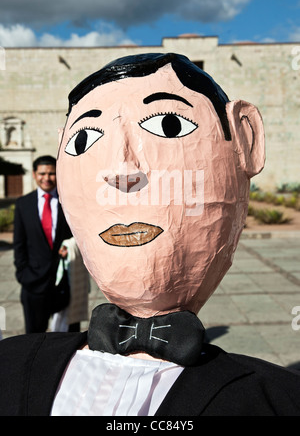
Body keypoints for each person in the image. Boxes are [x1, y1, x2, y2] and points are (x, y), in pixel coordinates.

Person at [0, 53, 300, 416]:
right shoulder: (11, 366)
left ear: (245, 141)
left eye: (170, 125)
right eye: (82, 141)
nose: (122, 171)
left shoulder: (275, 401)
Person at [13, 155, 72, 333]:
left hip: (63, 284)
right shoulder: (23, 204)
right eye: (42, 173)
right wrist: (23, 274)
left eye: (52, 173)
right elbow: (19, 244)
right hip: (33, 284)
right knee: (34, 338)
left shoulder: (68, 202)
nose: (47, 178)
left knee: (66, 339)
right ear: (34, 174)